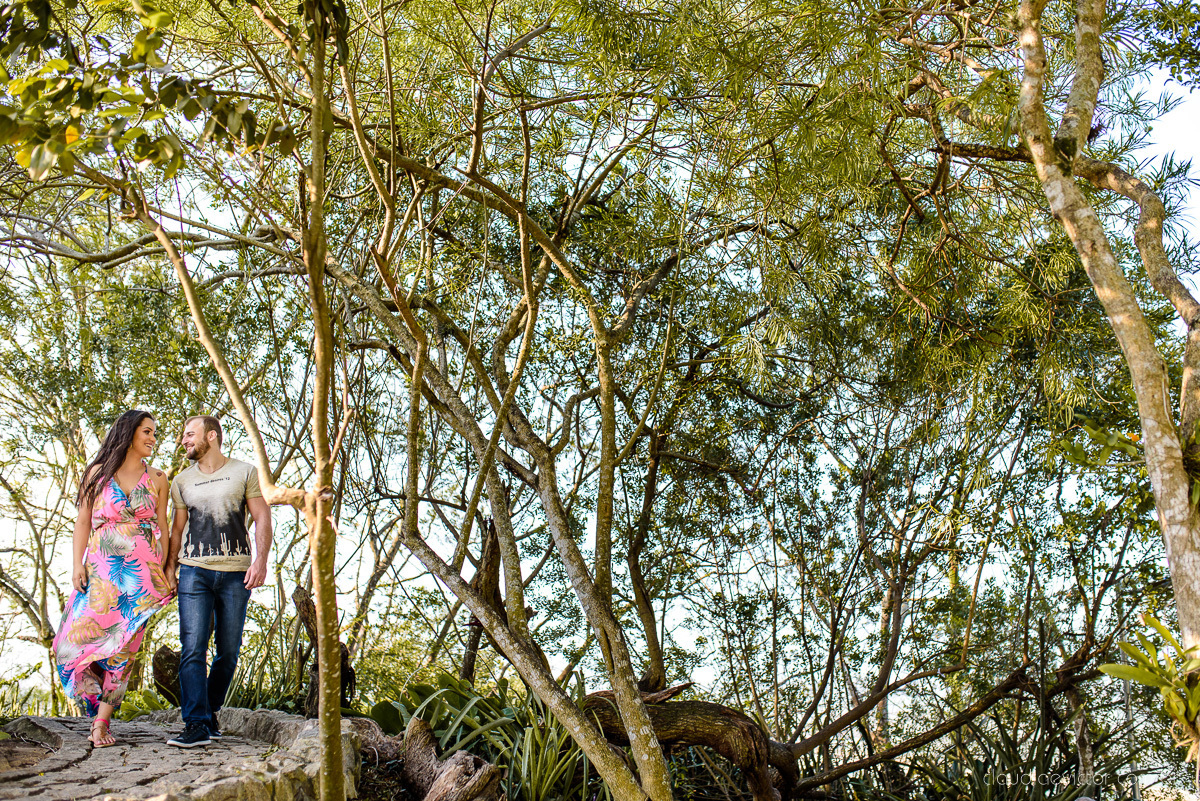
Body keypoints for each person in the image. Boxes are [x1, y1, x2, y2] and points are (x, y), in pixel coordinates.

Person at [53, 409, 176, 748]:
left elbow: (163, 528)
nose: (153, 438)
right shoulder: (97, 473)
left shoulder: (159, 478)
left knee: (125, 650)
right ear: (129, 432)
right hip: (100, 574)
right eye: (147, 431)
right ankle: (92, 699)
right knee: (69, 644)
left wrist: (166, 571)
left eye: (154, 432)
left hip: (142, 579)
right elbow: (82, 522)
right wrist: (76, 565)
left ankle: (101, 723)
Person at [164, 415, 272, 748]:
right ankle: (196, 723)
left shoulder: (244, 472)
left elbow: (262, 516)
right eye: (184, 436)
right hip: (193, 571)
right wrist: (170, 569)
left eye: (190, 434)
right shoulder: (182, 481)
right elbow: (177, 529)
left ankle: (209, 712)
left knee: (228, 651)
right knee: (193, 648)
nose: (184, 440)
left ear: (211, 436)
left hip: (236, 573)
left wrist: (261, 561)